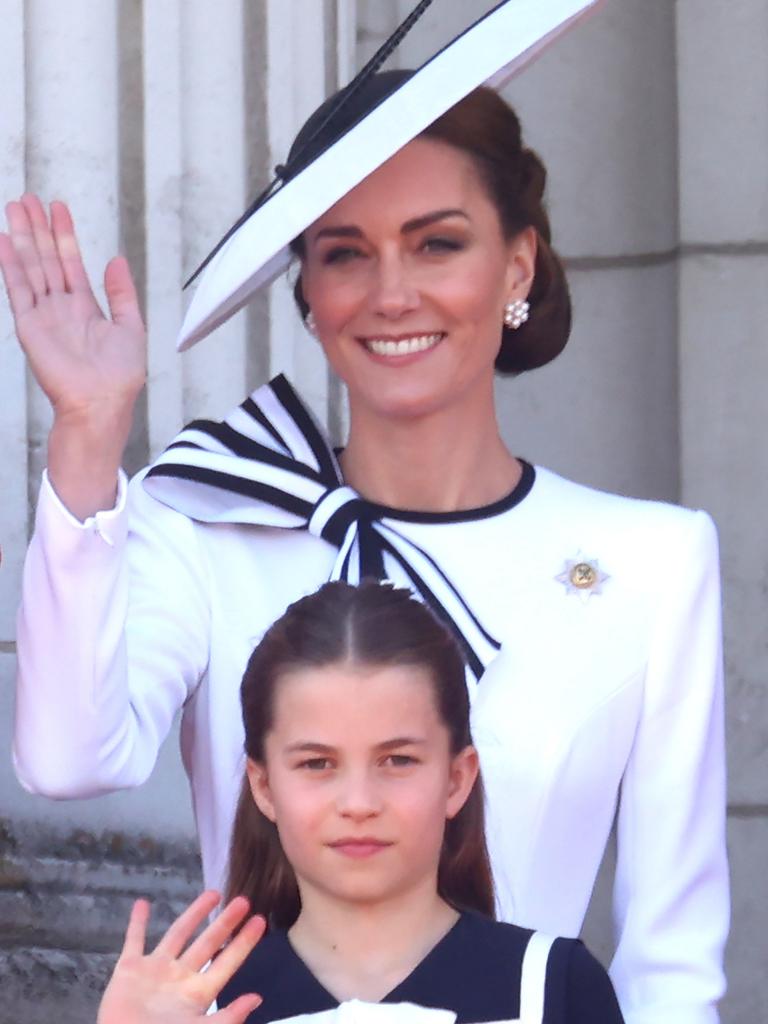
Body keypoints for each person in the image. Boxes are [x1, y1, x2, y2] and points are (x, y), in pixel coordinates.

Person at [0, 43, 727, 1024]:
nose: (391, 293)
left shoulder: (652, 562)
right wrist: (88, 436)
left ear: (517, 262)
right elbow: (67, 757)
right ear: (308, 290)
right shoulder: (208, 520)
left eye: (437, 243)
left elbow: (672, 972)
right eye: (345, 251)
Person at [97, 580, 625, 1024]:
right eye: (317, 764)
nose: (358, 802)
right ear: (263, 786)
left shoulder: (552, 989)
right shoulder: (198, 1005)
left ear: (456, 779)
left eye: (397, 761)